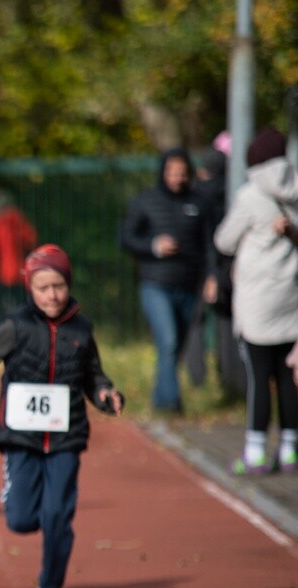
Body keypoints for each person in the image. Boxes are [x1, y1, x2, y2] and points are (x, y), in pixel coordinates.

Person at [0, 245, 124, 588]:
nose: (52, 295)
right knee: (20, 519)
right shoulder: (14, 327)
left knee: (56, 516)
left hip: (66, 438)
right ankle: (21, 501)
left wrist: (105, 393)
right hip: (21, 437)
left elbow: (92, 374)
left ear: (69, 285)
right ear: (29, 289)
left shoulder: (82, 328)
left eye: (59, 286)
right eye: (43, 287)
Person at [213, 126, 298, 474]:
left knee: (260, 376)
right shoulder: (295, 190)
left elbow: (224, 241)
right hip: (292, 298)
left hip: (258, 301)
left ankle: (256, 451)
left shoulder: (250, 195)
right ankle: (291, 450)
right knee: (289, 374)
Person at [120, 148, 217, 413]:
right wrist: (154, 246)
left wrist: (212, 277)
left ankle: (160, 398)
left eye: (182, 172)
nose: (177, 178)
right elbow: (126, 238)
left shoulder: (200, 203)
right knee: (169, 341)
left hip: (188, 285)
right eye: (172, 172)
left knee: (176, 346)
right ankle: (172, 404)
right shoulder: (145, 201)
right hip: (156, 284)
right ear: (163, 173)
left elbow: (210, 244)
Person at [193, 140, 247, 400]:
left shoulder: (199, 194)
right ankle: (235, 382)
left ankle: (199, 379)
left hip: (204, 267)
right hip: (233, 267)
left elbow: (213, 238)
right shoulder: (237, 190)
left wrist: (211, 273)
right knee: (232, 326)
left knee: (196, 324)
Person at [0, 189, 37, 316]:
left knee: (0, 305)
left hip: (1, 273)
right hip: (21, 271)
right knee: (22, 303)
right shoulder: (19, 219)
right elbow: (31, 238)